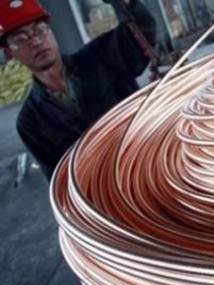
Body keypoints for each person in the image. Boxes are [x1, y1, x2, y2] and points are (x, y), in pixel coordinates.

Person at [0, 0, 157, 179]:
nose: (35, 41)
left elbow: (143, 31)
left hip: (148, 164)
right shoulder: (30, 122)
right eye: (21, 39)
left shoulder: (100, 57)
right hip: (105, 190)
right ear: (9, 53)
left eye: (40, 30)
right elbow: (59, 182)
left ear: (51, 31)